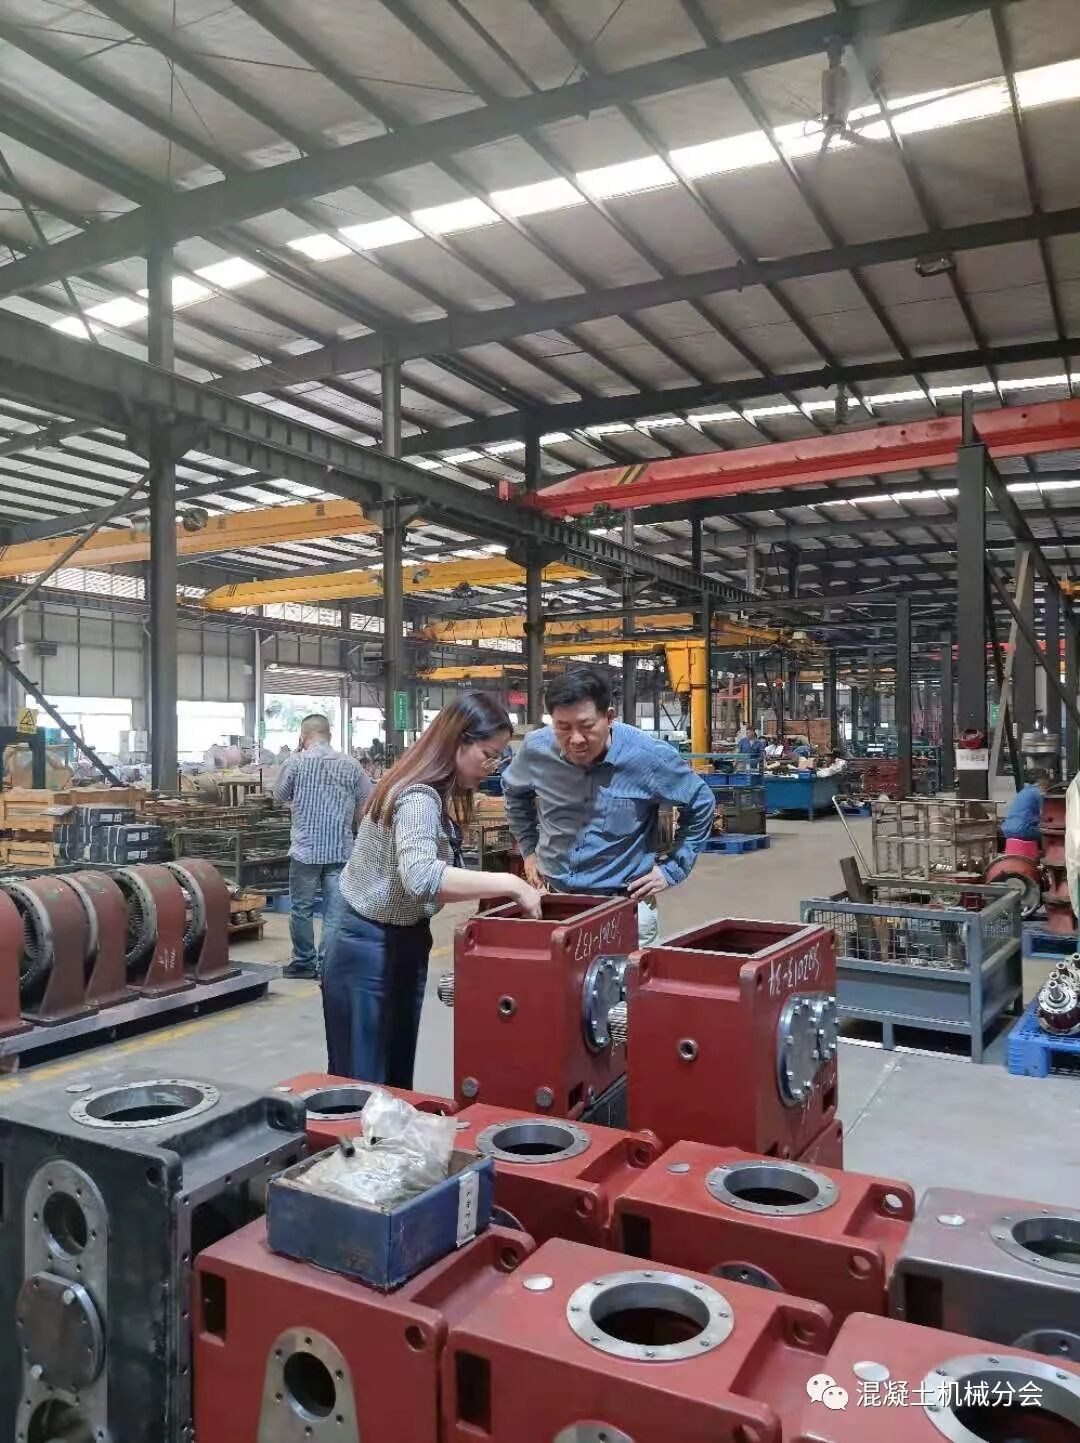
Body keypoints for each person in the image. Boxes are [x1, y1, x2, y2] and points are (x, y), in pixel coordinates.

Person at [324, 692, 543, 1085]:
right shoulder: (418, 797)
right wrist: (512, 884)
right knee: (364, 1081)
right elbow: (422, 877)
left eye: (498, 757)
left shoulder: (438, 793)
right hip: (366, 943)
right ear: (459, 741)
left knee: (393, 1076)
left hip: (403, 937)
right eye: (488, 755)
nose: (492, 767)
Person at [503, 666, 716, 946]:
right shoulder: (537, 750)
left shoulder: (647, 757)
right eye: (563, 728)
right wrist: (529, 850)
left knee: (630, 976)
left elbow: (701, 800)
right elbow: (514, 791)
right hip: (555, 900)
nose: (576, 739)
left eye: (587, 726)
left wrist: (673, 869)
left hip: (624, 906)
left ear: (609, 717)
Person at [274, 714, 370, 980]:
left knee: (301, 909)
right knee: (335, 912)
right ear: (330, 735)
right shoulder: (351, 765)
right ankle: (328, 964)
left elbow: (279, 795)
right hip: (340, 850)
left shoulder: (296, 762)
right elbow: (367, 800)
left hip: (305, 850)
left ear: (303, 736)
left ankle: (304, 962)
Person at [1002, 769, 1051, 843]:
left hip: (1007, 830)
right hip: (1023, 830)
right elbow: (1044, 815)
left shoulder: (1023, 791)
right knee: (1051, 834)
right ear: (1043, 781)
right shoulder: (1039, 792)